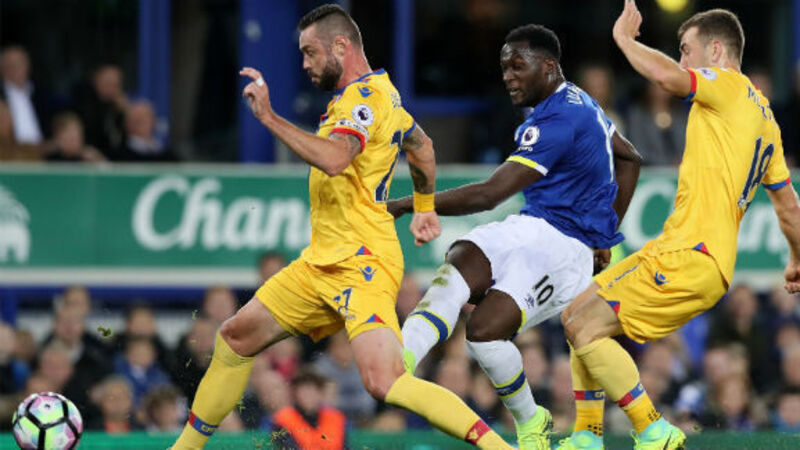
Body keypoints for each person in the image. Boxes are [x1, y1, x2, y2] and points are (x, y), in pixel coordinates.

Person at [171, 5, 510, 449]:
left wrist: (269, 117)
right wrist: (424, 206)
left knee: (384, 380)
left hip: (362, 261)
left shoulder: (362, 100)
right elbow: (422, 146)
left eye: (310, 52)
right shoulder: (380, 96)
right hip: (321, 262)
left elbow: (335, 159)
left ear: (340, 46)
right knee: (235, 337)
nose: (305, 64)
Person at [558, 3, 800, 449]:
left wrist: (624, 40)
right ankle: (587, 435)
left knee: (584, 327)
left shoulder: (728, 84)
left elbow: (667, 77)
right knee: (575, 315)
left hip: (691, 252)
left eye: (687, 50)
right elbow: (788, 207)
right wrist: (796, 259)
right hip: (695, 256)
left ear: (716, 50)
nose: (683, 60)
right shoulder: (766, 123)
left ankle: (652, 428)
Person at [389, 24, 641, 449]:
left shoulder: (561, 118)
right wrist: (607, 231)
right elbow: (629, 157)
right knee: (461, 256)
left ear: (549, 66)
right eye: (505, 67)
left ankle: (531, 422)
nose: (508, 76)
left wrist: (407, 204)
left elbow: (490, 194)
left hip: (565, 252)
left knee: (483, 333)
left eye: (518, 66)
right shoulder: (578, 100)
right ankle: (401, 360)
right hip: (534, 226)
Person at [271, 369, 346, 450]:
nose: (308, 396)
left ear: (320, 394)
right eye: (303, 391)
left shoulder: (336, 418)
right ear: (295, 394)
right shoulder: (283, 419)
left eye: (313, 391)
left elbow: (345, 446)